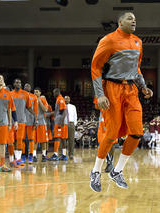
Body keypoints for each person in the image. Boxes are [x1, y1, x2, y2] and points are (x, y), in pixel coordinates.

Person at [89, 11, 153, 192]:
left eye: (135, 18)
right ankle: (95, 171)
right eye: (129, 18)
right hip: (112, 89)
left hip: (131, 90)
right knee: (111, 134)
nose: (134, 20)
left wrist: (143, 86)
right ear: (120, 22)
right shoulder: (108, 40)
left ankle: (117, 171)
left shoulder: (138, 41)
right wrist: (100, 94)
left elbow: (136, 67)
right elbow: (95, 66)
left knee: (137, 133)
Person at [11, 79, 38, 164]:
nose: (18, 84)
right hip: (12, 121)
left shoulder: (25, 94)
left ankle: (20, 158)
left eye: (19, 82)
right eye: (16, 82)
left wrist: (35, 114)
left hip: (22, 120)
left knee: (20, 139)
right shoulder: (10, 94)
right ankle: (15, 158)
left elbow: (29, 107)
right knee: (13, 140)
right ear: (13, 84)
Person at [48, 88, 68, 161]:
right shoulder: (59, 99)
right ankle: (64, 155)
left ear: (57, 92)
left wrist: (62, 121)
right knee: (63, 138)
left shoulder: (60, 99)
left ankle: (55, 155)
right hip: (60, 121)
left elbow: (65, 110)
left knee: (57, 137)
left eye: (54, 93)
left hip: (60, 122)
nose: (53, 95)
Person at [24, 83, 38, 163]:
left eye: (29, 86)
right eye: (26, 86)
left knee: (31, 139)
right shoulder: (20, 95)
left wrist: (36, 121)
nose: (27, 87)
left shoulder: (34, 97)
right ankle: (22, 155)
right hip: (22, 120)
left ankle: (31, 155)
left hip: (31, 120)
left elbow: (36, 110)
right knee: (22, 139)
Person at [34, 88, 49, 162]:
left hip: (42, 123)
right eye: (34, 92)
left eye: (37, 92)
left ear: (40, 93)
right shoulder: (32, 100)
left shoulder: (43, 100)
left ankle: (43, 155)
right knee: (35, 140)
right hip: (34, 123)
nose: (35, 93)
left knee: (43, 140)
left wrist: (40, 101)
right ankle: (34, 156)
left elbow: (46, 110)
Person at [65, 96, 77, 160]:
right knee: (63, 140)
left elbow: (75, 115)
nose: (67, 99)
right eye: (66, 98)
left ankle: (71, 154)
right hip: (64, 124)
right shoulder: (61, 106)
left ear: (69, 100)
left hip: (71, 123)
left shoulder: (73, 106)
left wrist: (74, 124)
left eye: (68, 99)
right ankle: (63, 154)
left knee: (71, 140)